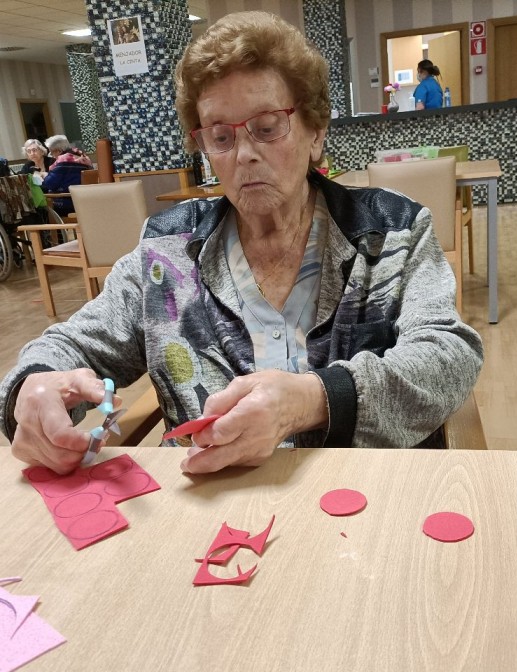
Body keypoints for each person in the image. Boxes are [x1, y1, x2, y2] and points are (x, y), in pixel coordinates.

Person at [0, 11, 483, 476]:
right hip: (213, 512)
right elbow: (72, 343)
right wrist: (34, 388)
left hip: (363, 501)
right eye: (220, 137)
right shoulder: (169, 250)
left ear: (315, 132)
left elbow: (448, 355)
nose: (245, 154)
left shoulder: (391, 232)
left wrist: (313, 399)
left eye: (267, 128)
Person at [41, 147, 93, 216]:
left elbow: (50, 184)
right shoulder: (85, 162)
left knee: (41, 209)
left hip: (66, 205)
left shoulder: (63, 163)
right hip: (85, 203)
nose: (52, 156)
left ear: (59, 151)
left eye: (53, 153)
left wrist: (45, 176)